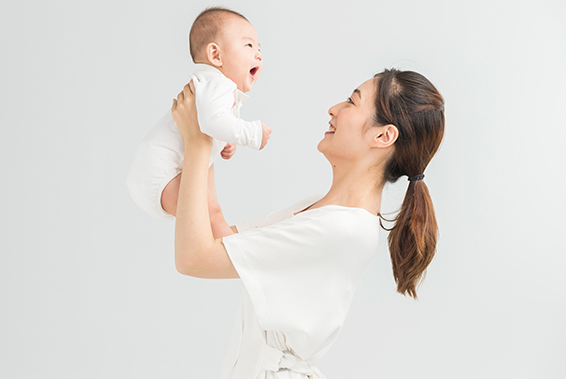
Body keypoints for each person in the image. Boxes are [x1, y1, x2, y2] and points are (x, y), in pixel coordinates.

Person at [171, 68, 445, 379]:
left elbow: (194, 258)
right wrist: (209, 131)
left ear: (383, 136)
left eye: (351, 102)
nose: (333, 109)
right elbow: (218, 231)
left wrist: (197, 144)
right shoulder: (322, 212)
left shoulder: (341, 229)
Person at [126, 7, 272, 238]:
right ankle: (236, 249)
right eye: (249, 45)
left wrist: (226, 140)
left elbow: (212, 122)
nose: (259, 55)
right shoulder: (217, 83)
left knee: (211, 217)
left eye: (259, 48)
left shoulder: (212, 86)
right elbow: (212, 121)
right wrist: (252, 133)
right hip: (161, 171)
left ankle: (230, 246)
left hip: (154, 172)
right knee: (211, 216)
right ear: (215, 55)